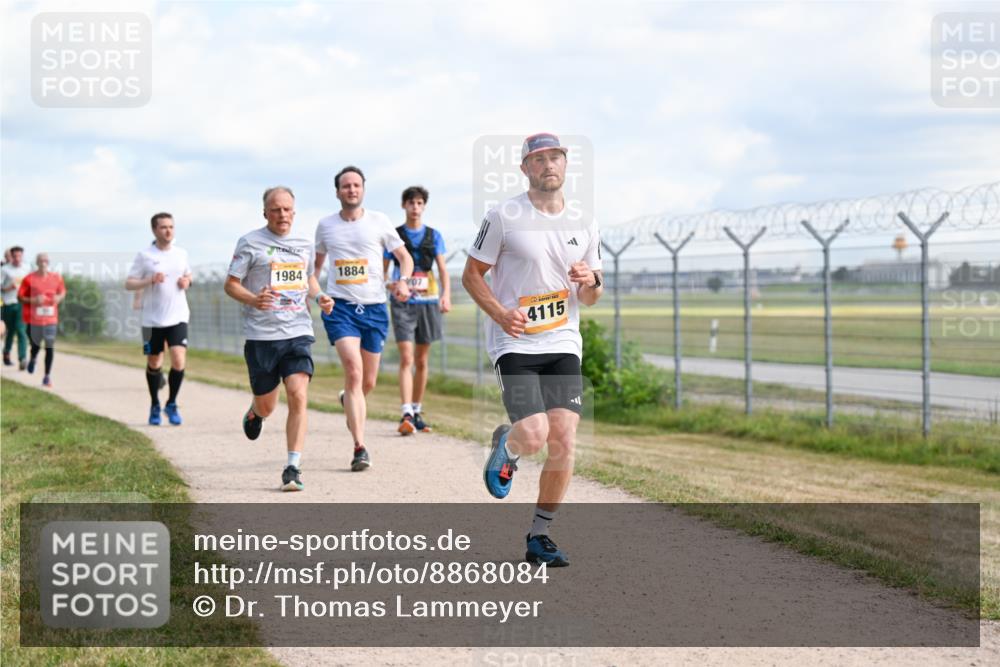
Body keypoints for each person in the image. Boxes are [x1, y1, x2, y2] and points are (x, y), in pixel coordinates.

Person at [462, 133, 603, 567]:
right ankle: (508, 442)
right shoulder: (503, 216)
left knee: (563, 439)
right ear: (525, 168)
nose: (547, 164)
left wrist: (590, 282)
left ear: (565, 164)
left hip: (563, 341)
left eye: (554, 157)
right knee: (535, 434)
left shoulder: (584, 222)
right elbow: (471, 276)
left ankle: (539, 536)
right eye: (537, 159)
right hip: (516, 342)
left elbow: (593, 296)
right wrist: (502, 315)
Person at [225, 186, 333, 492]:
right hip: (261, 336)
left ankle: (292, 467)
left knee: (298, 394)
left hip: (297, 330)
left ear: (294, 212)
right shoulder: (250, 243)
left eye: (287, 209)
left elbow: (309, 278)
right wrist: (253, 299)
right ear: (265, 213)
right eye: (275, 209)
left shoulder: (304, 244)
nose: (282, 215)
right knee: (268, 406)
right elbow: (231, 285)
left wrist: (321, 295)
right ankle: (255, 412)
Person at [314, 166, 413, 470]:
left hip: (374, 309)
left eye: (356, 185)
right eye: (346, 186)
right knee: (354, 372)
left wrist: (404, 280)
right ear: (337, 192)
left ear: (363, 189)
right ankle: (360, 447)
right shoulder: (326, 226)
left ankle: (349, 398)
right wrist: (320, 296)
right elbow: (313, 273)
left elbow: (404, 259)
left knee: (366, 381)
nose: (351, 190)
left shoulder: (379, 221)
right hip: (341, 308)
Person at [382, 185, 451, 435]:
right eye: (411, 203)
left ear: (424, 206)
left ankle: (417, 411)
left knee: (421, 360)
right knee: (407, 357)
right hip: (403, 303)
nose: (415, 207)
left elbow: (443, 270)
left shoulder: (434, 236)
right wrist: (390, 284)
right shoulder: (395, 235)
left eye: (420, 203)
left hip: (428, 301)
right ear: (404, 205)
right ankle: (406, 412)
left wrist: (446, 295)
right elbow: (384, 270)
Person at [125, 213, 193, 426]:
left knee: (179, 359)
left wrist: (186, 281)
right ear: (154, 230)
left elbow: (189, 275)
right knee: (154, 362)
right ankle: (155, 403)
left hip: (178, 316)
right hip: (151, 320)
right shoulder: (145, 255)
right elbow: (129, 283)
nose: (168, 231)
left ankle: (171, 403)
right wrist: (149, 280)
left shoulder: (181, 253)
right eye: (163, 227)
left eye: (171, 226)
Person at [18, 253, 67, 388]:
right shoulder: (29, 279)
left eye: (46, 260)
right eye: (41, 260)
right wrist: (34, 300)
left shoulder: (56, 278)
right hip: (35, 321)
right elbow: (20, 297)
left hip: (51, 319)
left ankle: (47, 376)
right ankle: (33, 358)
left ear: (48, 262)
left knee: (49, 347)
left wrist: (59, 298)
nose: (43, 263)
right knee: (35, 346)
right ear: (37, 262)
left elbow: (62, 292)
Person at [2, 246, 30, 370]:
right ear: (11, 256)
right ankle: (6, 351)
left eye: (20, 256)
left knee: (21, 330)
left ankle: (22, 358)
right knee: (10, 331)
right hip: (8, 303)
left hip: (22, 303)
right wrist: (9, 288)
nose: (17, 258)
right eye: (15, 256)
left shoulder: (27, 268)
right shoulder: (4, 270)